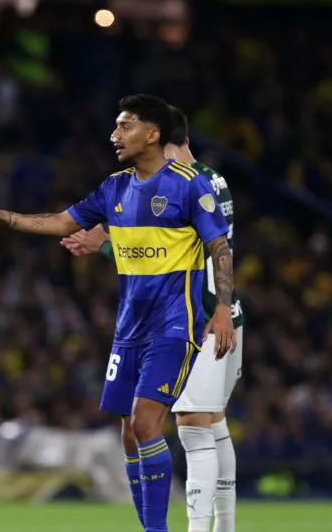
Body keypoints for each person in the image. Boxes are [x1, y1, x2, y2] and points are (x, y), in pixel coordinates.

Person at [0, 94, 236, 532]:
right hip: (128, 329)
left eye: (125, 125)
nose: (114, 135)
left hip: (175, 324)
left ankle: (157, 530)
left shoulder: (190, 184)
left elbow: (219, 247)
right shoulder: (114, 187)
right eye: (115, 126)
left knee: (146, 422)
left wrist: (222, 309)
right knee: (129, 434)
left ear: (152, 134)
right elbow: (62, 222)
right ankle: (147, 524)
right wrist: (2, 217)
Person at [60, 105, 241, 532]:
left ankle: (210, 528)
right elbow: (155, 248)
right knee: (192, 420)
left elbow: (208, 252)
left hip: (205, 316)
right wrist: (108, 244)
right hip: (167, 317)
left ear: (170, 143)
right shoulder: (154, 185)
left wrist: (221, 311)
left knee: (196, 420)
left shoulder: (202, 182)